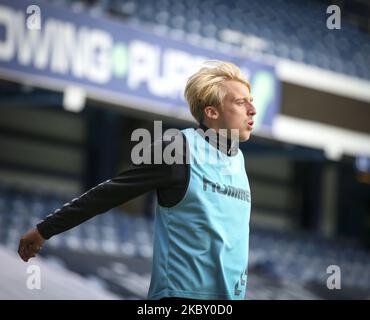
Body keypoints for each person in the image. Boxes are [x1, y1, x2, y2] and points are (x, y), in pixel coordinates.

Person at [18, 61, 256, 300]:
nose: (252, 109)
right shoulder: (178, 149)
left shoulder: (238, 158)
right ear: (211, 112)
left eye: (251, 100)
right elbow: (108, 193)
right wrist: (44, 230)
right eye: (240, 102)